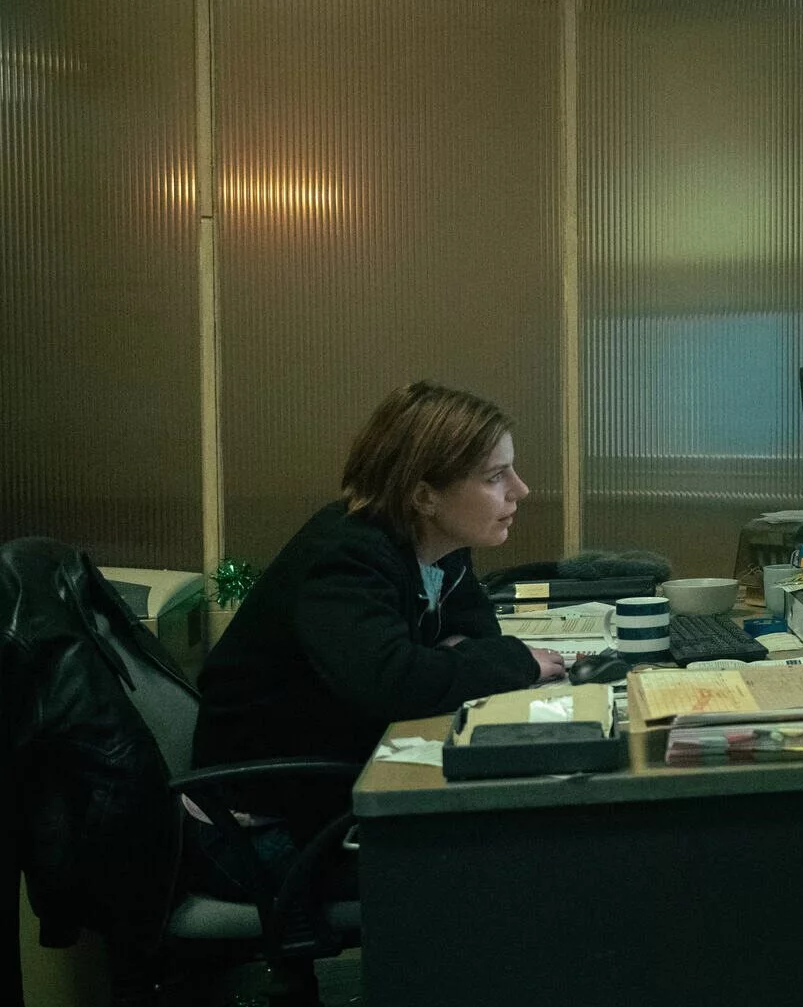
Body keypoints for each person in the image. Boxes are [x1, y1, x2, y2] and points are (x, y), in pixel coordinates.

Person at [190, 381, 564, 896]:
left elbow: (473, 637)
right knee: (513, 863)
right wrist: (512, 660)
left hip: (333, 789)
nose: (520, 490)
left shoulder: (436, 544)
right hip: (261, 833)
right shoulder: (347, 556)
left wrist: (443, 665)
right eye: (496, 476)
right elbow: (396, 683)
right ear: (424, 495)